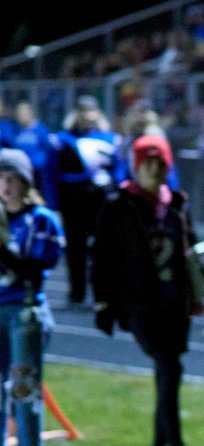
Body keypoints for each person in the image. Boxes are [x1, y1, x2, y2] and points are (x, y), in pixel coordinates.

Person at [92, 135, 204, 446]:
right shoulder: (119, 204)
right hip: (141, 303)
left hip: (175, 302)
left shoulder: (176, 203)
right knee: (170, 369)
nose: (154, 170)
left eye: (160, 163)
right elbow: (103, 256)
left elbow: (188, 247)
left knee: (167, 373)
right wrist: (103, 303)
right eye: (148, 163)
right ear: (136, 166)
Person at [0, 149, 64, 446]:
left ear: (26, 182)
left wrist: (4, 250)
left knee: (23, 383)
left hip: (24, 309)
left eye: (14, 179)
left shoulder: (42, 219)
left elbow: (35, 271)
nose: (7, 186)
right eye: (2, 179)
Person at [53, 95, 128, 306]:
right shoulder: (62, 140)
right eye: (83, 111)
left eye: (91, 111)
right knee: (75, 249)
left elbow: (119, 169)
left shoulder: (110, 139)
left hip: (100, 200)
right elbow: (52, 173)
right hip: (72, 200)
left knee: (103, 248)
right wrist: (53, 204)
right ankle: (76, 292)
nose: (87, 115)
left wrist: (115, 188)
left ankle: (102, 292)